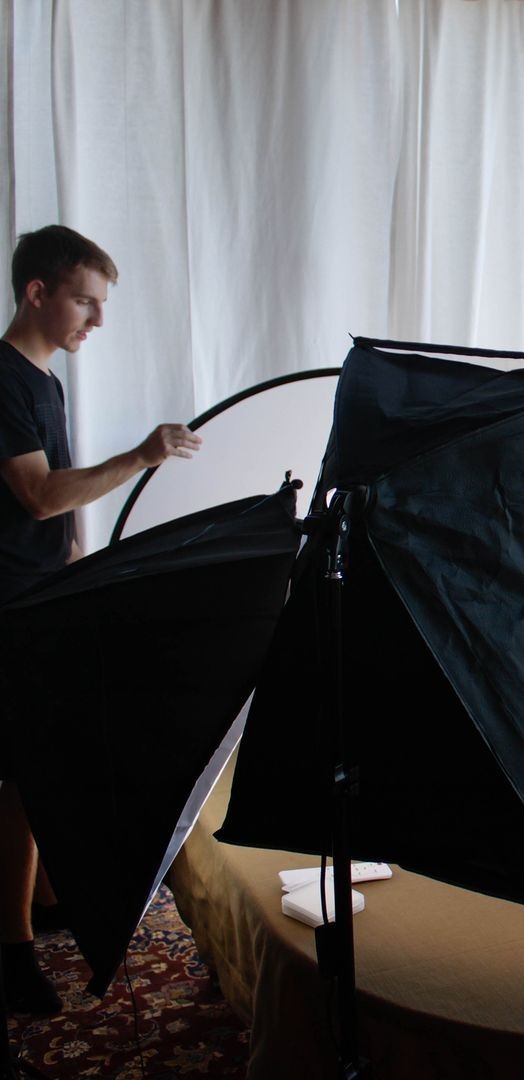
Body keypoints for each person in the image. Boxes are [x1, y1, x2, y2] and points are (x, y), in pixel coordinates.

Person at [0, 225, 201, 1014]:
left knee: (51, 762)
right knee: (17, 780)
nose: (98, 319)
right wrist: (143, 456)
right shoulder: (4, 377)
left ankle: (45, 907)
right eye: (86, 300)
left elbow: (62, 515)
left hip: (44, 599)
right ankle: (12, 950)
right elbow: (40, 494)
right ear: (37, 292)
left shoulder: (42, 381)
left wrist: (86, 577)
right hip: (9, 605)